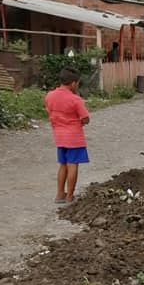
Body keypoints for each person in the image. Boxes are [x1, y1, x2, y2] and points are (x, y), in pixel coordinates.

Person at [45, 66, 90, 205]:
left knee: (63, 164)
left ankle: (59, 194)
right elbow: (85, 118)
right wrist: (80, 122)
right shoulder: (75, 99)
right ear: (73, 83)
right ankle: (70, 196)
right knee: (72, 165)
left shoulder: (49, 96)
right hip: (74, 138)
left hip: (59, 137)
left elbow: (50, 112)